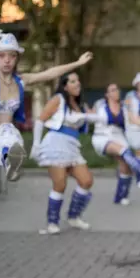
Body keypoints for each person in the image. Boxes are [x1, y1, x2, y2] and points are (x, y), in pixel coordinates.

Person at [0, 31, 93, 278]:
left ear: (16, 59)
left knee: (8, 133)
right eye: (1, 56)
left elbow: (51, 73)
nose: (6, 61)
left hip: (3, 134)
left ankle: (10, 160)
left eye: (11, 56)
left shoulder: (21, 81)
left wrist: (77, 64)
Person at [31, 72, 106, 234]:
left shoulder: (79, 104)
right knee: (60, 184)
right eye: (72, 81)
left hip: (72, 145)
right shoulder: (58, 99)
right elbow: (40, 120)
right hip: (56, 144)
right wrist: (36, 145)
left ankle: (73, 216)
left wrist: (93, 117)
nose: (77, 84)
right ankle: (52, 222)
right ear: (65, 85)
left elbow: (91, 119)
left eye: (78, 81)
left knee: (86, 181)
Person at [91, 83, 140, 206]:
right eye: (113, 90)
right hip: (102, 137)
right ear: (107, 94)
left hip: (119, 137)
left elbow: (135, 121)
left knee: (125, 166)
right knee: (123, 151)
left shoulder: (124, 107)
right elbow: (88, 115)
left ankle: (120, 196)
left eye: (117, 89)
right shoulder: (100, 105)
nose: (116, 92)